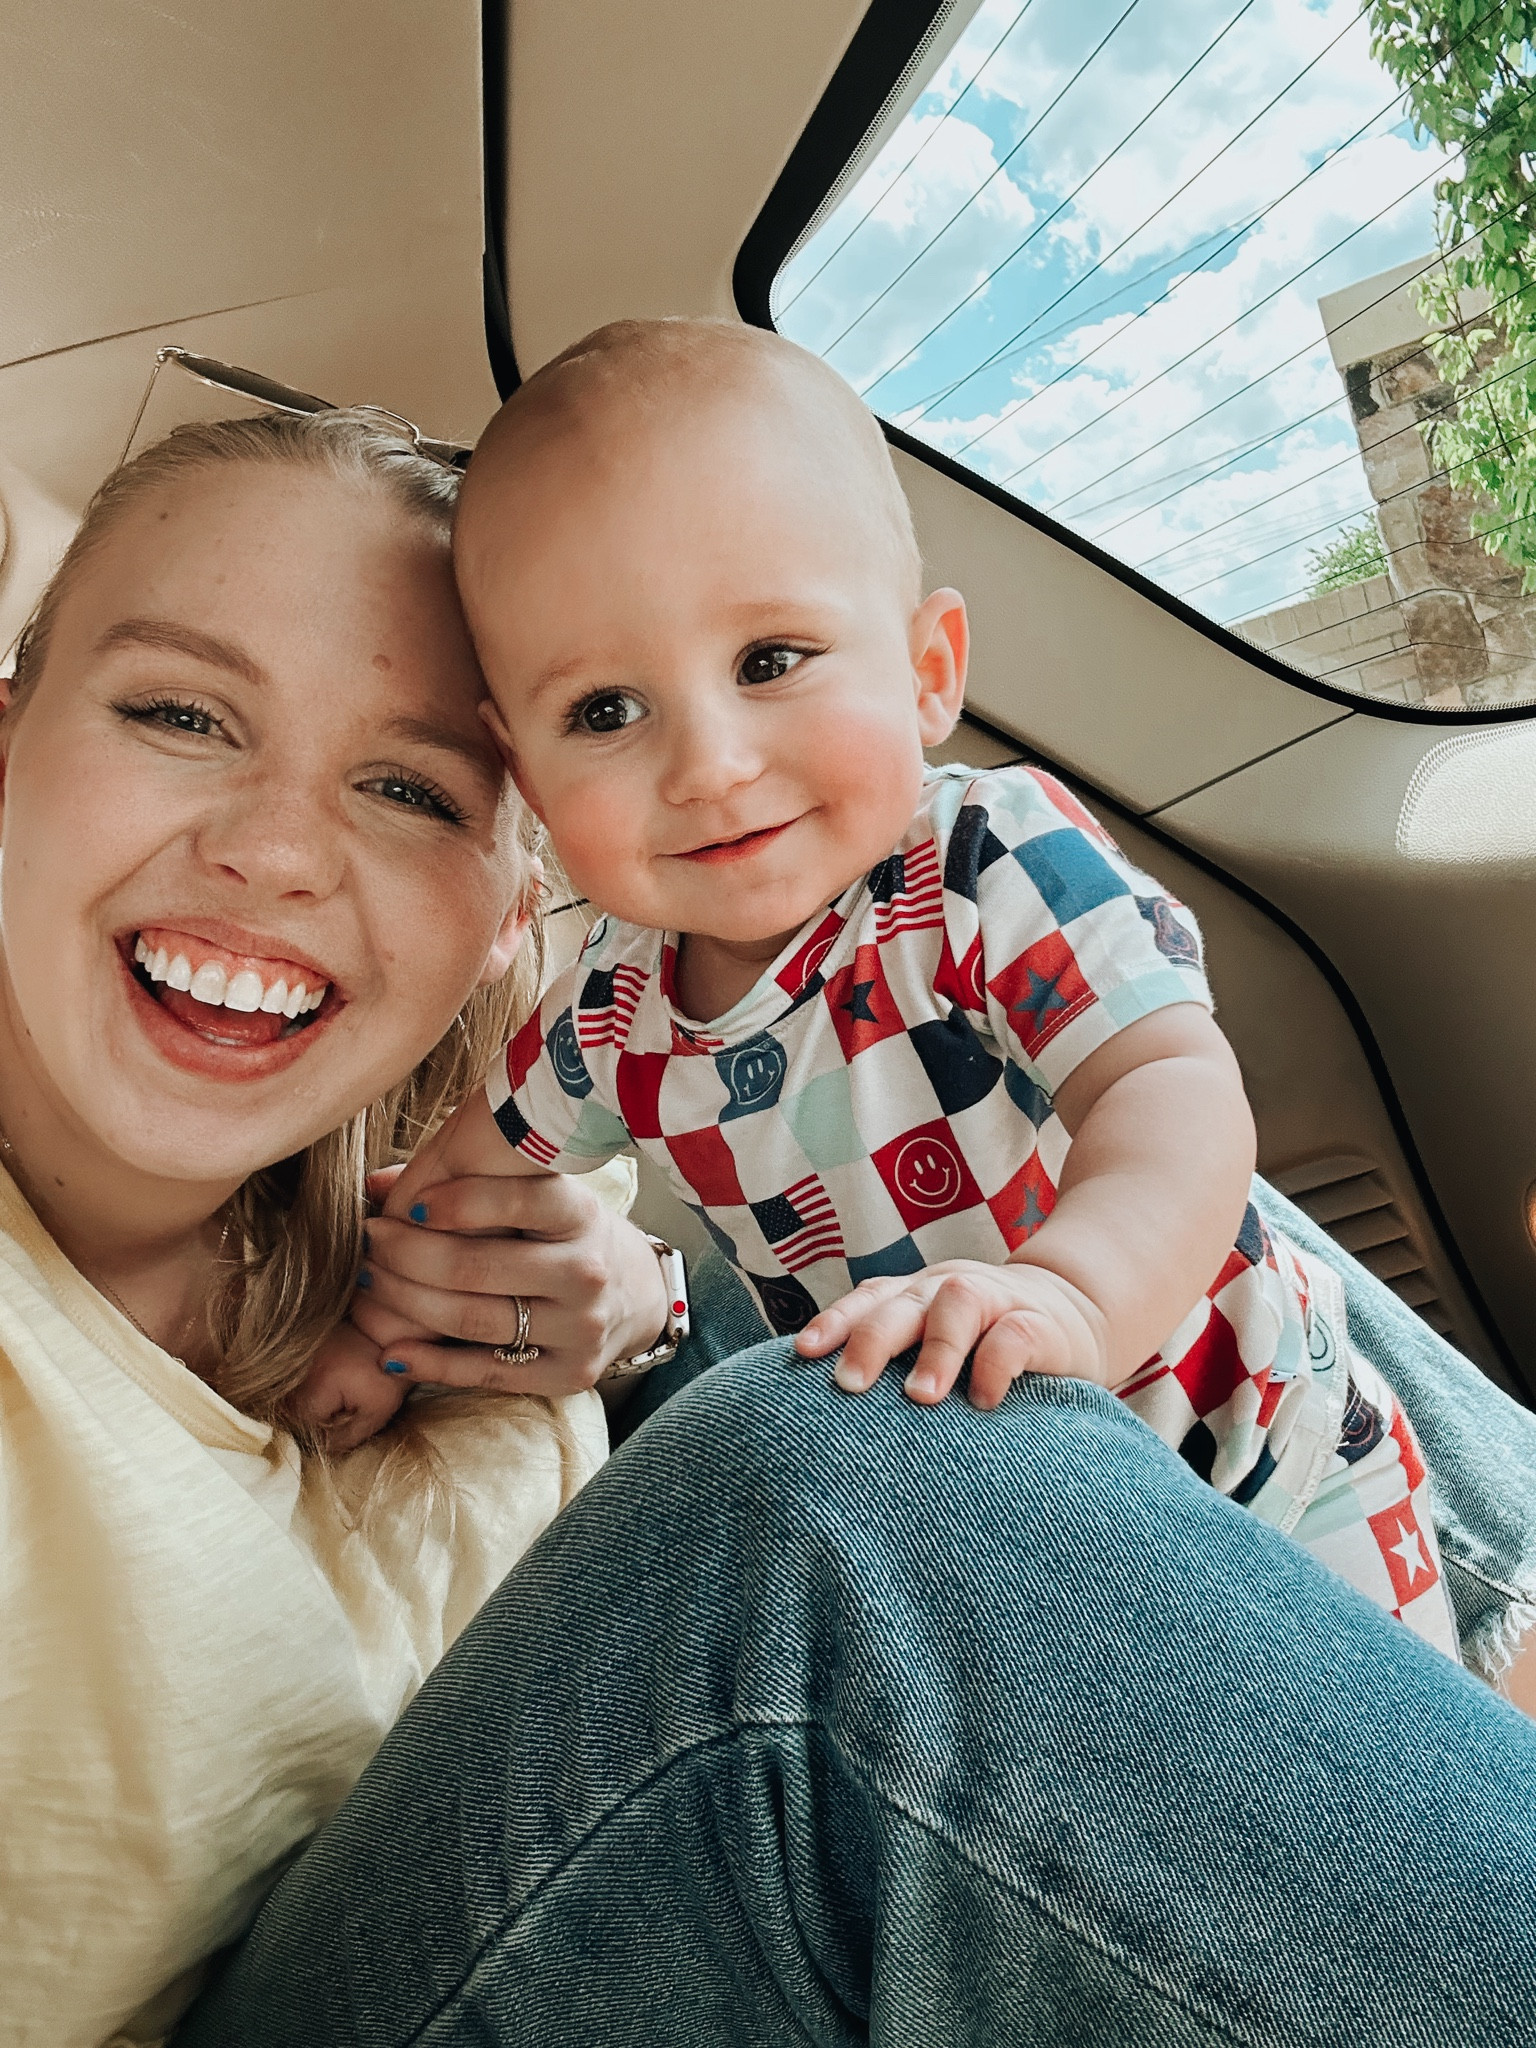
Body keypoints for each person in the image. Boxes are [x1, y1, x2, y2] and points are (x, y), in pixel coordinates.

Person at [300, 318, 1454, 1655]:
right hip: (1002, 1537)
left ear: (927, 673)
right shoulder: (613, 1013)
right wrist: (376, 1331)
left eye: (769, 661)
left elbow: (1171, 1086)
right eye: (607, 711)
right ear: (525, 770)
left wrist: (1070, 1294)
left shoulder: (980, 863)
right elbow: (465, 1181)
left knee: (1381, 1763)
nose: (710, 763)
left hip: (1260, 1448)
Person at [0, 407, 675, 2048]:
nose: (277, 852)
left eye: (408, 787)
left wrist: (647, 1308)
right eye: (179, 712)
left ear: (509, 911)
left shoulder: (435, 1211)